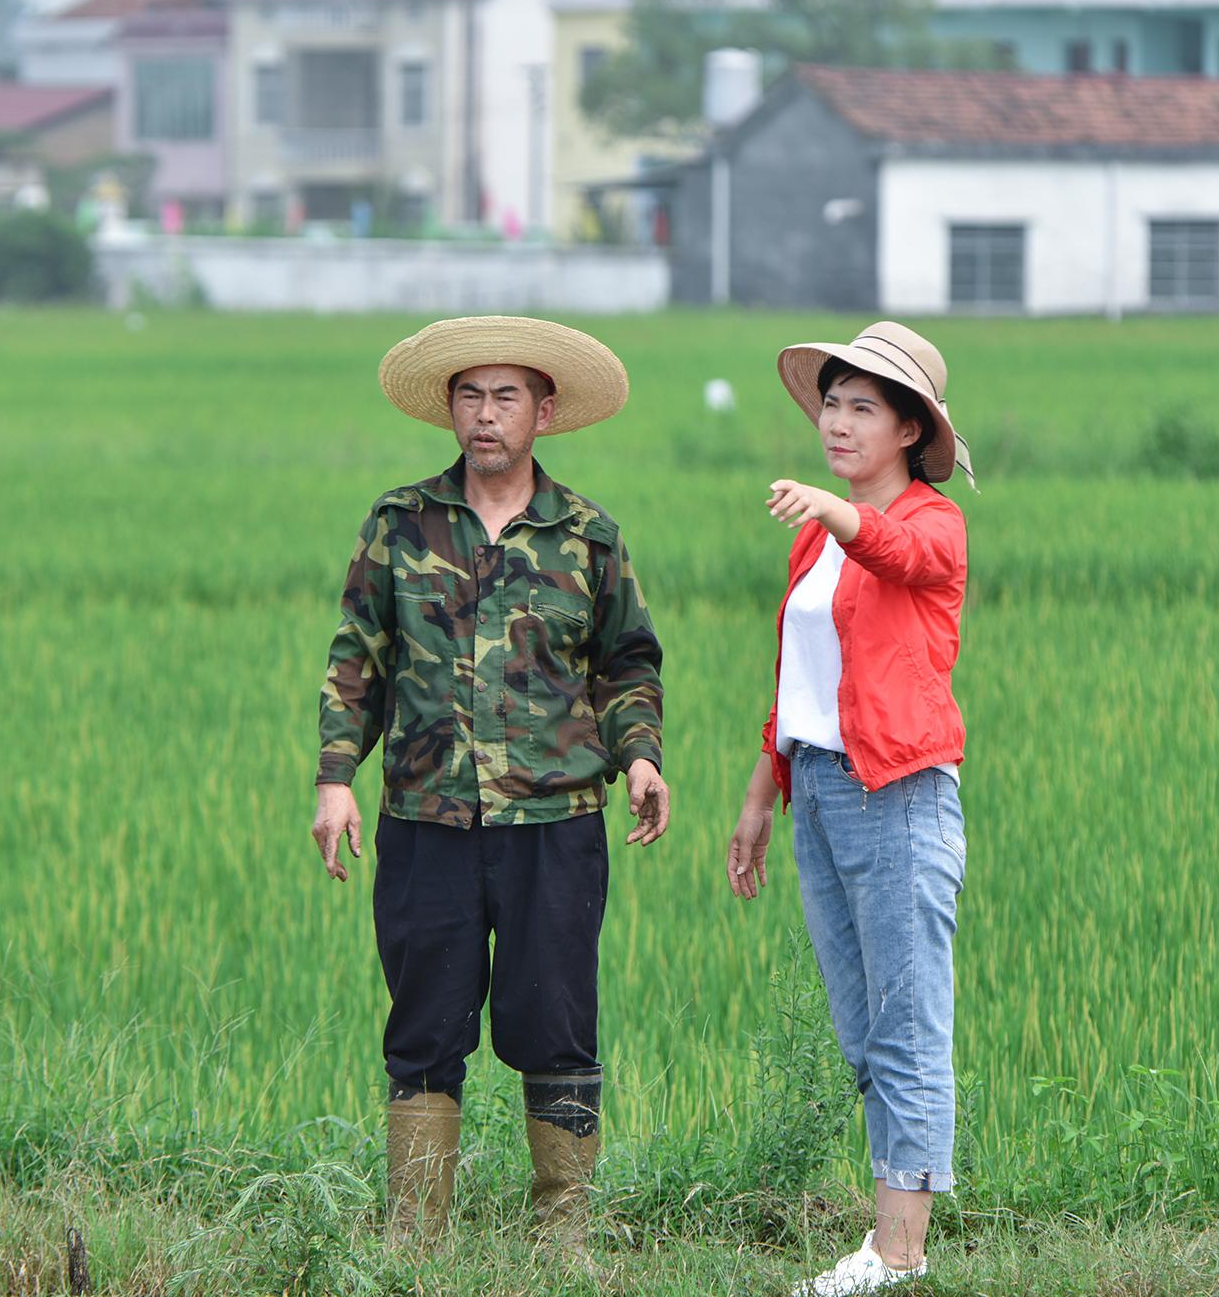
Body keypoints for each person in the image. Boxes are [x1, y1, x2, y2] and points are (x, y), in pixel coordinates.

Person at [312, 316, 670, 1249]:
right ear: (448, 407)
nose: (485, 415)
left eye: (506, 395)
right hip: (427, 816)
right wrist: (336, 777)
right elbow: (359, 658)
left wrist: (640, 755)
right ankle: (414, 1238)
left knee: (555, 1018)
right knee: (425, 1021)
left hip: (555, 822)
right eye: (469, 394)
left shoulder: (588, 535)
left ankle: (562, 1235)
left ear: (544, 411)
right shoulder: (399, 524)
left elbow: (626, 663)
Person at [724, 321, 975, 1296]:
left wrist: (835, 511)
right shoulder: (811, 541)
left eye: (859, 407)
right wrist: (759, 800)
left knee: (906, 1025)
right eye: (829, 402)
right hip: (821, 792)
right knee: (860, 1028)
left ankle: (899, 1255)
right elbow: (795, 679)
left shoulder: (929, 524)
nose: (834, 420)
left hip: (897, 791)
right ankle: (890, 1244)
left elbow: (901, 555)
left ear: (909, 430)